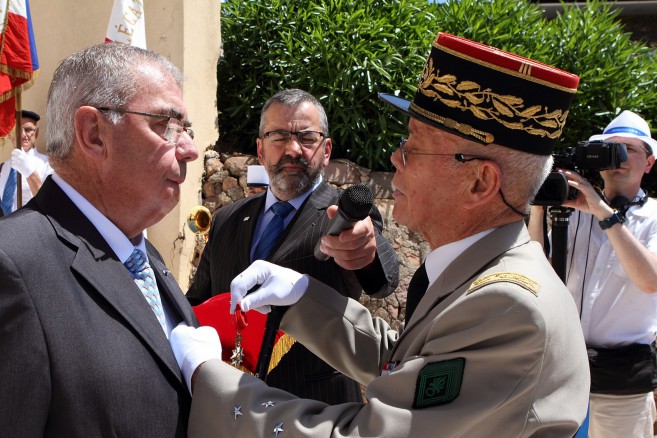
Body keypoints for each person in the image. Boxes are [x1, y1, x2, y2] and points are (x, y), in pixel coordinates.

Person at [170, 32, 591, 437]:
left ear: (479, 183)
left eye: (414, 145)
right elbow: (404, 364)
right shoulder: (481, 276)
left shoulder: (509, 307)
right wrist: (302, 300)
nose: (395, 157)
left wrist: (211, 380)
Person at [0, 43, 200, 437]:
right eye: (166, 125)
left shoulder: (143, 256)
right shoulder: (13, 262)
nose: (190, 149)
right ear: (93, 134)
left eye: (186, 129)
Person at [187, 88, 399, 404]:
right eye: (279, 136)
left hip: (316, 410)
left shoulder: (343, 216)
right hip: (231, 409)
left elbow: (380, 275)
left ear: (326, 150)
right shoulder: (227, 219)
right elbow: (199, 302)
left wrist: (365, 251)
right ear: (260, 150)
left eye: (307, 138)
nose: (293, 149)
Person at [529, 110, 657, 437]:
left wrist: (602, 211)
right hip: (563, 373)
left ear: (650, 162)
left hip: (622, 383)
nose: (620, 158)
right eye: (612, 149)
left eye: (631, 150)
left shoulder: (653, 216)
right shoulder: (574, 207)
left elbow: (650, 279)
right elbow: (534, 266)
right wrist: (543, 199)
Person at [0, 110, 52, 215]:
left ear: (36, 133)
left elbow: (49, 203)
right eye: (17, 130)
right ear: (10, 135)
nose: (23, 135)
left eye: (28, 130)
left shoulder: (47, 164)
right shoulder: (3, 166)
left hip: (30, 227)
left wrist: (30, 172)